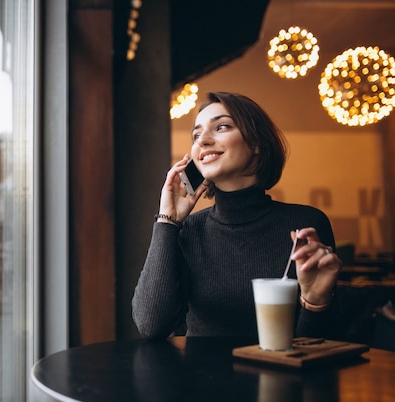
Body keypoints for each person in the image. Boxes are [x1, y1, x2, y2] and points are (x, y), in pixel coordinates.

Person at [132, 91, 342, 340]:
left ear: (256, 143)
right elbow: (151, 326)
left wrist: (315, 301)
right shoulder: (188, 230)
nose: (203, 141)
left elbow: (314, 345)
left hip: (281, 376)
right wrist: (167, 220)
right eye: (196, 135)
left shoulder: (305, 225)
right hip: (199, 378)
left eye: (221, 127)